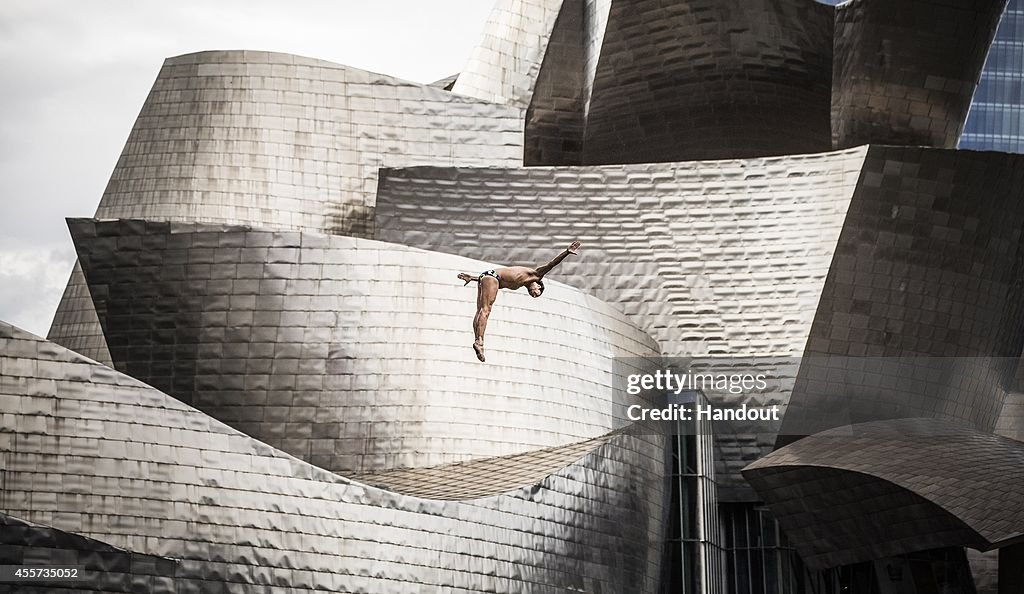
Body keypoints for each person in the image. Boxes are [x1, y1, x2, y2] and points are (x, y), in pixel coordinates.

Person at [457, 241, 581, 362]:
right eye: (536, 293)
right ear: (538, 285)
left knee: (480, 311)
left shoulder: (521, 283)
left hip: (486, 277)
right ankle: (480, 342)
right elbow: (552, 264)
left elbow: (499, 279)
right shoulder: (536, 275)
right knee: (486, 310)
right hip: (492, 277)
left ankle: (477, 340)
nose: (533, 294)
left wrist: (472, 278)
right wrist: (566, 252)